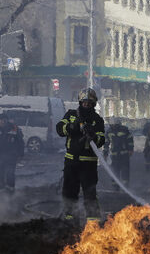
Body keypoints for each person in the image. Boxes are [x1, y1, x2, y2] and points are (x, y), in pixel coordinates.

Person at [55, 87, 106, 222]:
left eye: (89, 103)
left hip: (88, 164)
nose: (86, 105)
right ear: (80, 102)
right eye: (84, 102)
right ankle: (69, 218)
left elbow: (101, 141)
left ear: (93, 104)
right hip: (71, 161)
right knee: (69, 191)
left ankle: (93, 222)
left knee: (90, 193)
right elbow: (59, 129)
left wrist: (93, 136)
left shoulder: (97, 120)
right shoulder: (71, 114)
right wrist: (71, 127)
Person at [0, 112, 24, 192]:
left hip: (11, 156)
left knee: (10, 173)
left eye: (4, 120)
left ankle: (10, 190)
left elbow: (20, 142)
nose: (3, 122)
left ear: (7, 120)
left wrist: (21, 154)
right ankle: (0, 190)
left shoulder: (14, 128)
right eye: (1, 120)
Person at [104, 117, 134, 183]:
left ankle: (125, 185)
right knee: (115, 171)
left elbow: (130, 141)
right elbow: (106, 144)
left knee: (125, 170)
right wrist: (105, 154)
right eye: (112, 125)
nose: (114, 127)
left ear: (118, 124)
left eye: (115, 125)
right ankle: (115, 186)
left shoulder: (124, 130)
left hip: (124, 154)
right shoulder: (109, 132)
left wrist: (130, 149)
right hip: (114, 155)